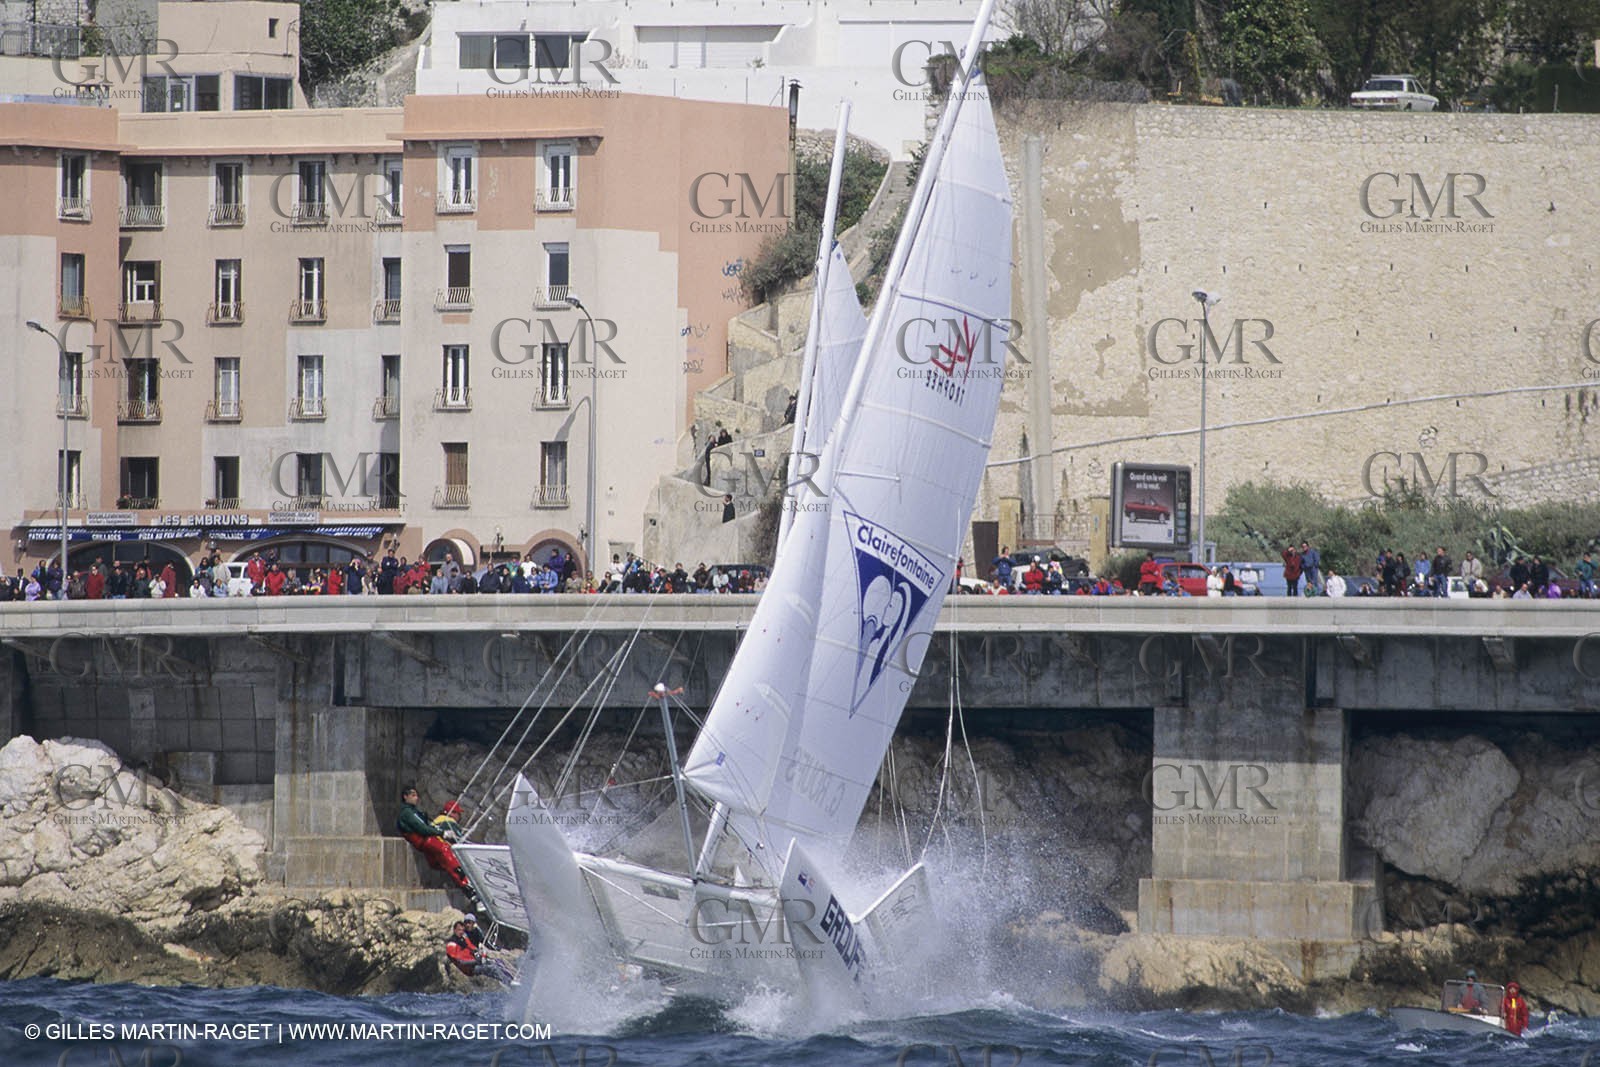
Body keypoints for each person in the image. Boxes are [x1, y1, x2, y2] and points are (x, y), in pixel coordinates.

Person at [396, 786, 476, 899]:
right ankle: (467, 886)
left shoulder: (416, 812)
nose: (416, 798)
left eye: (417, 795)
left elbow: (426, 826)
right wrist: (442, 833)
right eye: (413, 795)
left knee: (440, 861)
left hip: (425, 842)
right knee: (446, 852)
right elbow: (422, 828)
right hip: (425, 840)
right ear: (405, 797)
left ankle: (462, 883)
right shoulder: (408, 812)